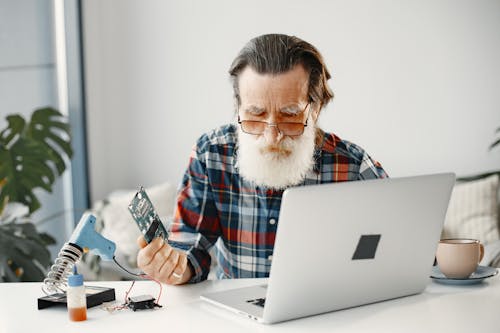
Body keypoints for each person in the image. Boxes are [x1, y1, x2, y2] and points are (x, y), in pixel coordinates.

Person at [136, 33, 388, 285]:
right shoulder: (211, 154)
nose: (272, 136)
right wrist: (173, 267)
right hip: (236, 318)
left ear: (316, 108)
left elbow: (400, 238)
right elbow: (191, 246)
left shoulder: (353, 165)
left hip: (327, 312)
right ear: (238, 107)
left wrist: (427, 248)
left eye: (289, 115)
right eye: (255, 114)